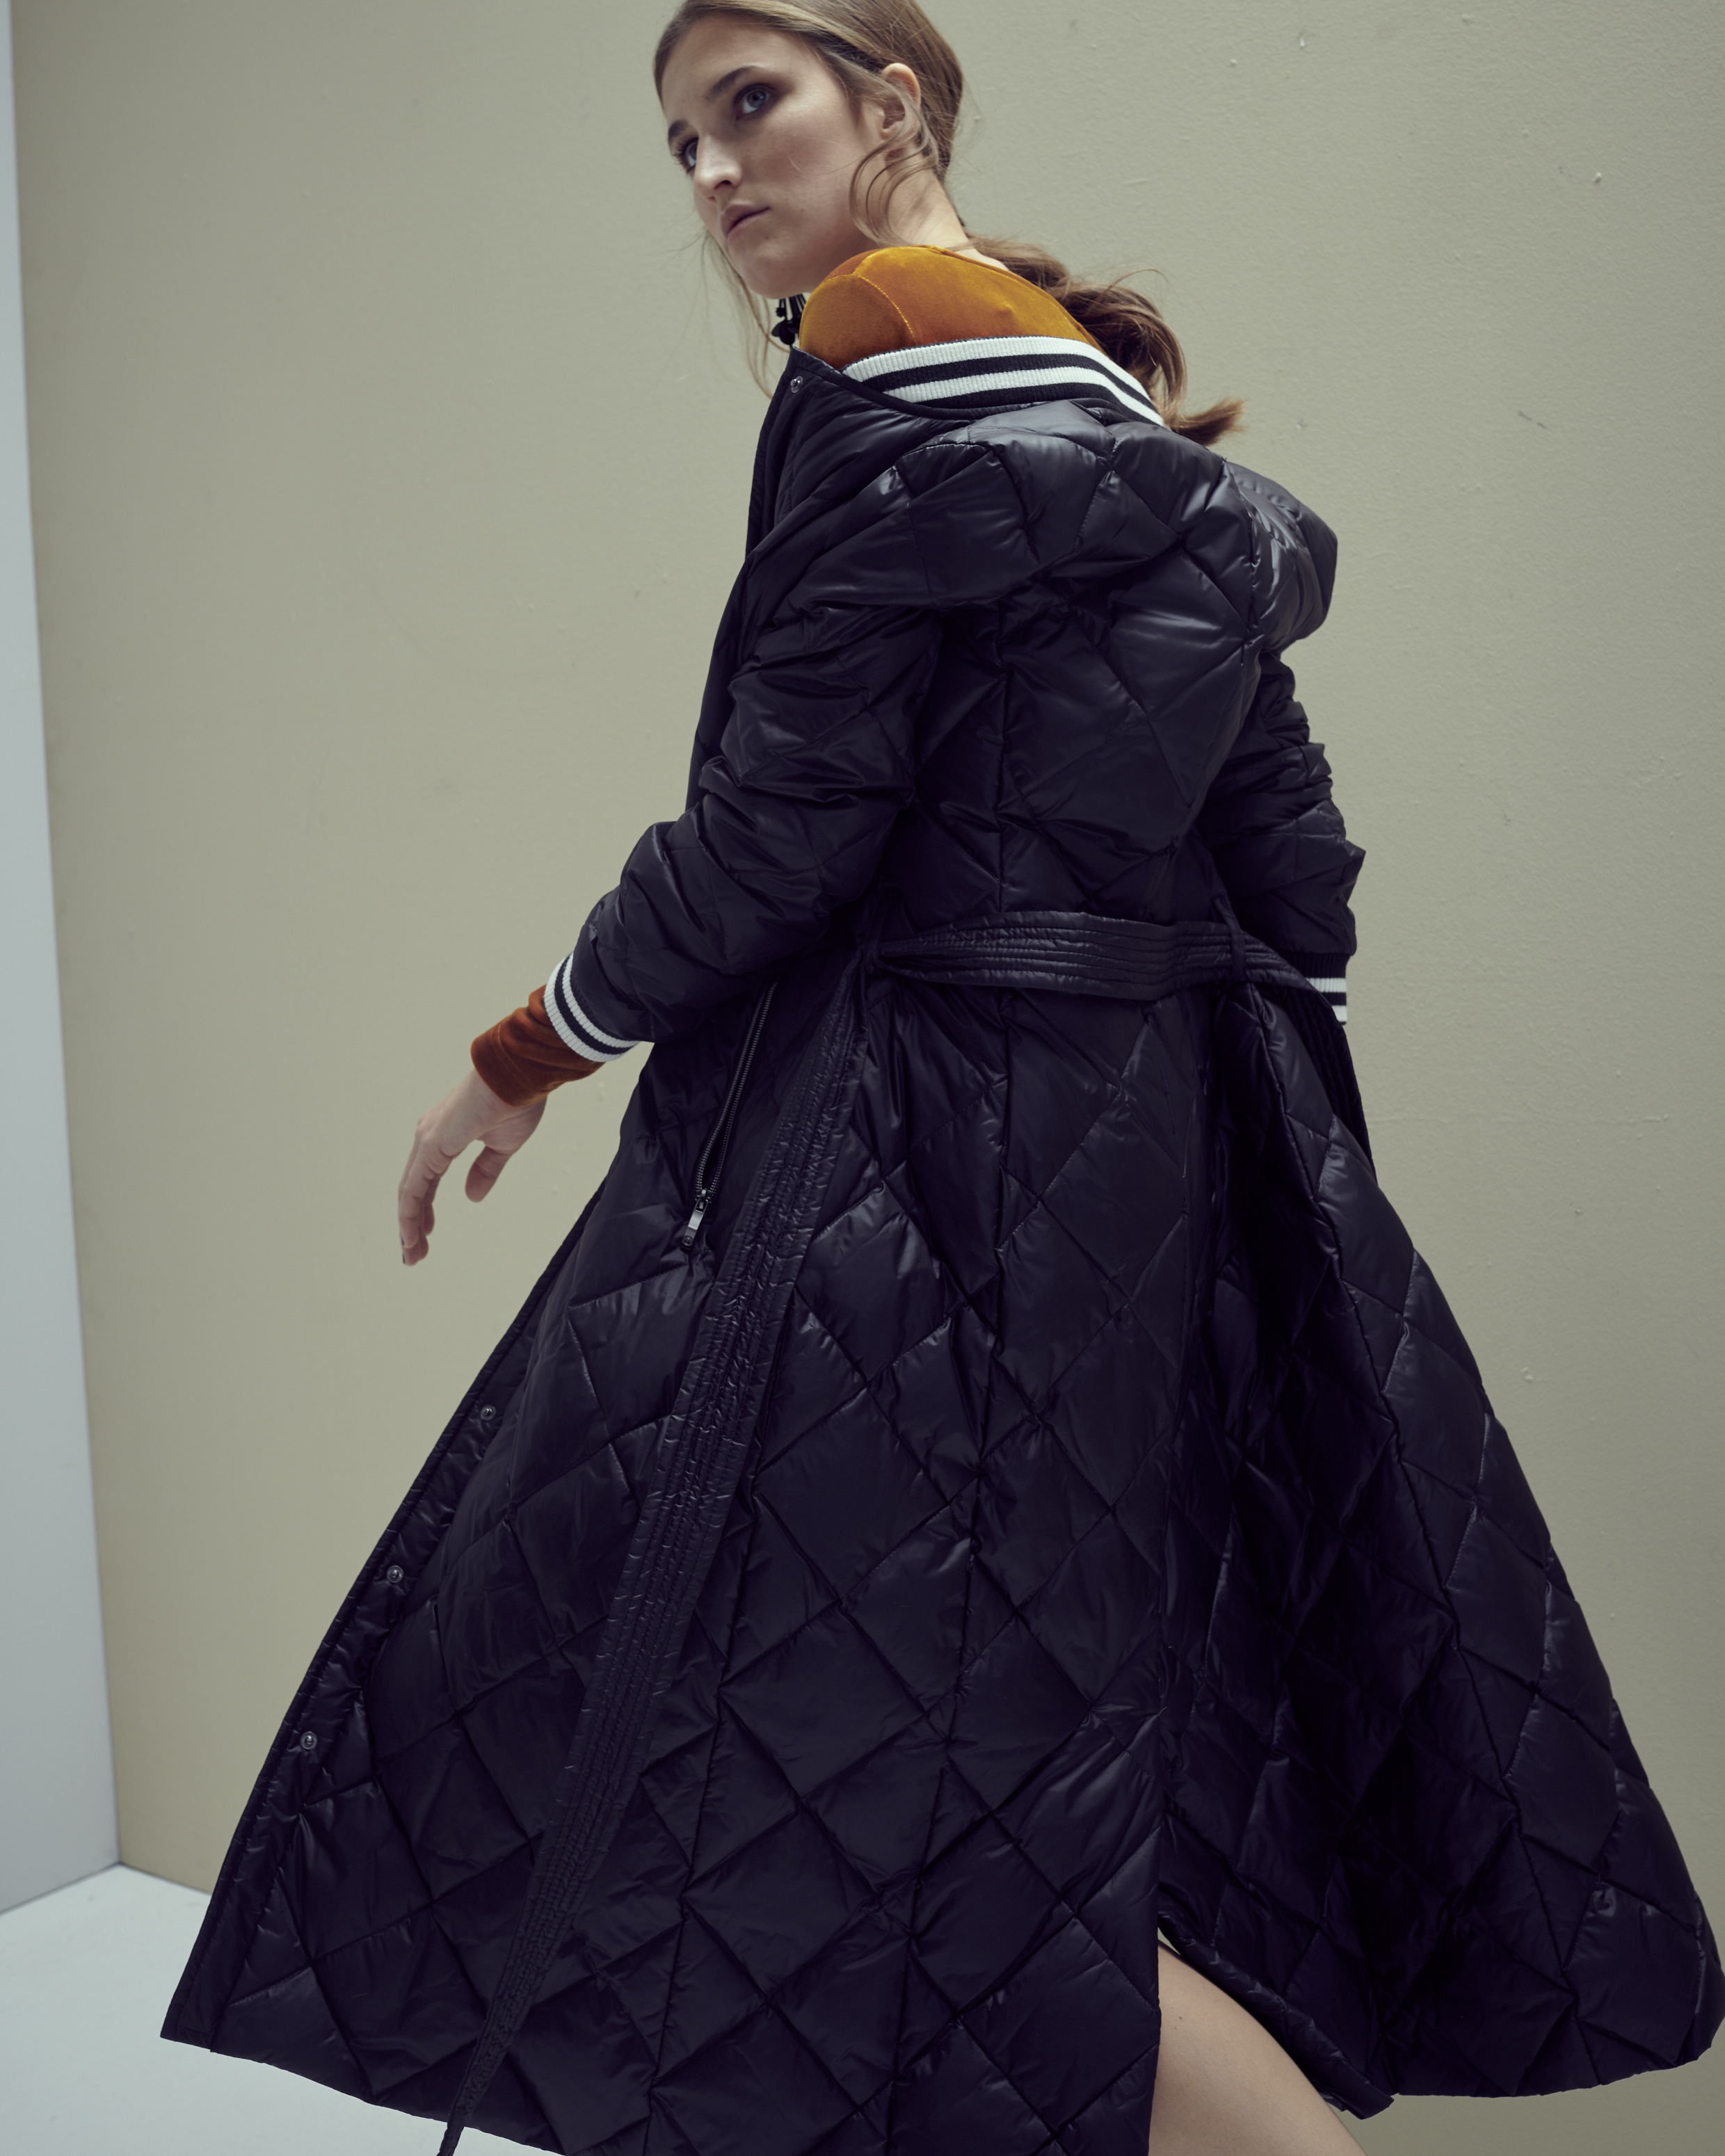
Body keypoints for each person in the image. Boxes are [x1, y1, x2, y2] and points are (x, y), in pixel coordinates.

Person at [163, 6, 1722, 2154]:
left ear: (891, 106)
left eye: (753, 105)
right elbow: (1288, 850)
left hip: (910, 1156)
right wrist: (1240, 1128)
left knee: (916, 1797)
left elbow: (774, 838)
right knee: (1009, 1755)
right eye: (681, 141)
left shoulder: (873, 372)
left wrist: (520, 1051)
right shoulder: (1119, 414)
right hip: (1129, 1153)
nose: (713, 172)